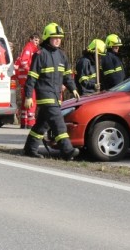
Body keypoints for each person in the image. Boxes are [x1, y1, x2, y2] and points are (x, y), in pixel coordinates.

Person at [23, 22, 80, 161]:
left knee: (43, 123)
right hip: (45, 95)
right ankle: (67, 150)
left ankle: (30, 148)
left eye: (60, 37)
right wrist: (28, 96)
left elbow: (67, 76)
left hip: (56, 96)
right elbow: (32, 76)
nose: (58, 40)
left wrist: (73, 89)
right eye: (55, 37)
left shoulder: (62, 55)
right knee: (58, 122)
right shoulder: (40, 54)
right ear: (47, 38)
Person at [14, 34, 40, 129]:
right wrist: (31, 73)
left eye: (38, 41)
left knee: (25, 101)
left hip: (23, 80)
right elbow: (24, 62)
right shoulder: (29, 48)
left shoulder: (29, 48)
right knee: (31, 100)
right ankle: (31, 122)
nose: (37, 42)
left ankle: (24, 122)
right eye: (36, 40)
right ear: (31, 39)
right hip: (28, 79)